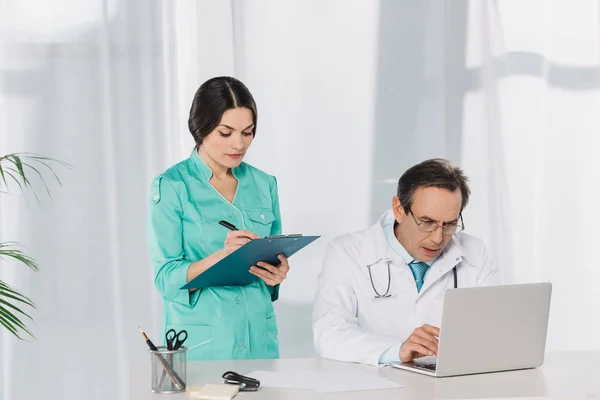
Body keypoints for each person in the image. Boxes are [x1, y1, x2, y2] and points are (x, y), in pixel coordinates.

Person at [147, 76, 290, 360]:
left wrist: (277, 276)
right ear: (201, 127)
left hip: (259, 342)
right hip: (204, 346)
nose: (238, 143)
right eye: (226, 133)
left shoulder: (265, 184)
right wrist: (221, 257)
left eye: (247, 132)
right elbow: (165, 278)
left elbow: (271, 267)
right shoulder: (172, 186)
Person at [312, 158, 501, 366]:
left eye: (449, 224)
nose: (438, 238)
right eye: (427, 222)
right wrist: (397, 350)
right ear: (399, 209)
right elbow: (329, 334)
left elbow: (492, 333)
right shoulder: (348, 252)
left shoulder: (476, 253)